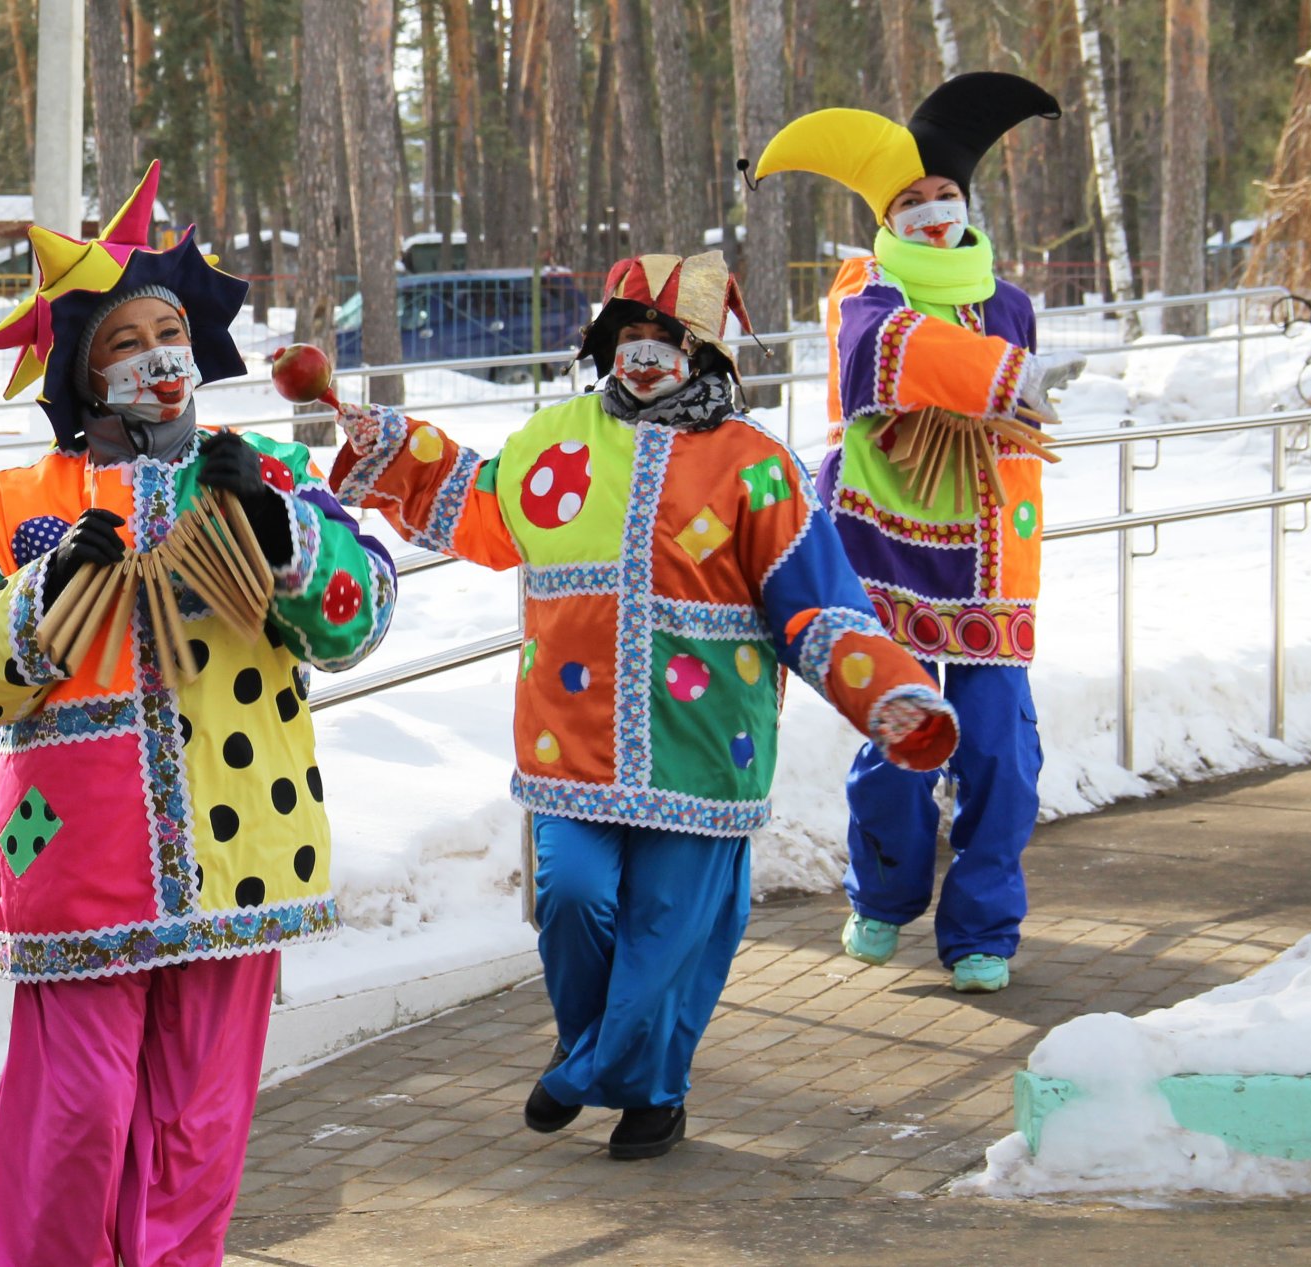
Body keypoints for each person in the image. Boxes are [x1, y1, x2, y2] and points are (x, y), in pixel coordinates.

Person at [328, 250, 960, 1160]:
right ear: (604, 344)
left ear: (706, 352)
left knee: (670, 930)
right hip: (568, 737)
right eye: (630, 335)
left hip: (705, 747)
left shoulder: (758, 466)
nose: (646, 354)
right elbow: (477, 504)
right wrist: (392, 442)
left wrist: (883, 685)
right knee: (575, 899)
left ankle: (641, 1088)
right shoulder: (558, 440)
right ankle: (590, 1051)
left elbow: (817, 600)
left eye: (668, 337)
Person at [0, 164, 396, 1266]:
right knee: (74, 1117)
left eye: (169, 330)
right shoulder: (25, 501)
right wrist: (34, 600)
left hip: (245, 849)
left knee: (196, 1127)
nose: (156, 357)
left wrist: (279, 533)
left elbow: (357, 619)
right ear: (83, 376)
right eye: (123, 342)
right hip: (79, 862)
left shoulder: (266, 469)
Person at [752, 74, 1081, 994]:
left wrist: (1012, 387)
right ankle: (884, 895)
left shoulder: (1006, 302)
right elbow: (876, 361)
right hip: (885, 552)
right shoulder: (865, 288)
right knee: (899, 749)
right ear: (885, 218)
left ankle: (983, 926)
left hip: (988, 564)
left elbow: (1012, 392)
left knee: (1001, 754)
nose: (934, 213)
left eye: (945, 195)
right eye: (912, 201)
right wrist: (1004, 381)